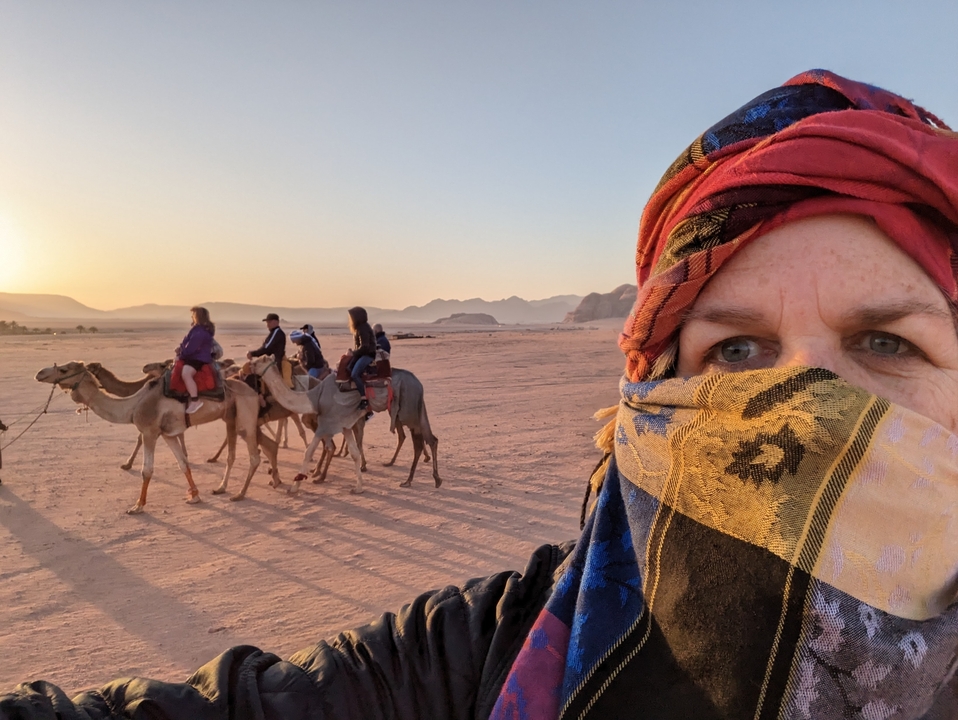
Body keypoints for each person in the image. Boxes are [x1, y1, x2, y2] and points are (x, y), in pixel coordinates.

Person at [3, 70, 958, 719]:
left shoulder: (306, 334)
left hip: (317, 365)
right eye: (736, 346)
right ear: (654, 384)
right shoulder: (512, 637)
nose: (808, 407)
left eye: (888, 340)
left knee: (321, 384)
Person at [175, 306, 216, 414]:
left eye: (193, 314)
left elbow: (191, 347)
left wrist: (181, 355)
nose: (191, 316)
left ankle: (195, 400)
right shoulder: (196, 329)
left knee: (186, 374)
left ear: (197, 316)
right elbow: (186, 342)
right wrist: (180, 349)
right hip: (193, 356)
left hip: (199, 358)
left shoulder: (201, 332)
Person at [347, 306, 377, 412]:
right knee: (348, 368)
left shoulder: (363, 328)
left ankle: (364, 398)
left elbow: (365, 346)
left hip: (367, 355)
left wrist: (353, 353)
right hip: (362, 354)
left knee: (354, 374)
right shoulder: (360, 327)